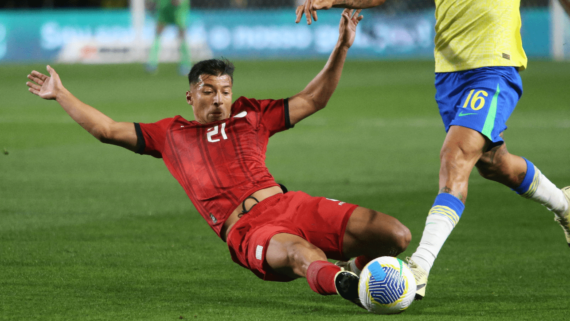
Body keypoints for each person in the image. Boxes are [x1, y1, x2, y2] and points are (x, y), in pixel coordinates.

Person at [26, 9, 411, 308]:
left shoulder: (252, 115)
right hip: (247, 229)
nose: (218, 98)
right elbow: (107, 129)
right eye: (207, 91)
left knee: (395, 235)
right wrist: (61, 94)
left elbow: (314, 99)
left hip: (287, 202)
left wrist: (341, 46)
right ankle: (351, 287)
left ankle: (363, 272)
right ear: (191, 97)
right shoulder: (169, 134)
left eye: (224, 90)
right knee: (300, 254)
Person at [296, 0, 570, 300]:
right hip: (449, 73)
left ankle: (420, 267)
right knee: (493, 163)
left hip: (494, 66)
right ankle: (564, 205)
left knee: (455, 156)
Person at [145, 0, 192, 75]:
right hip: (165, 6)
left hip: (179, 9)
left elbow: (177, 2)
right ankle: (152, 63)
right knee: (158, 33)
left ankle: (185, 64)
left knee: (182, 35)